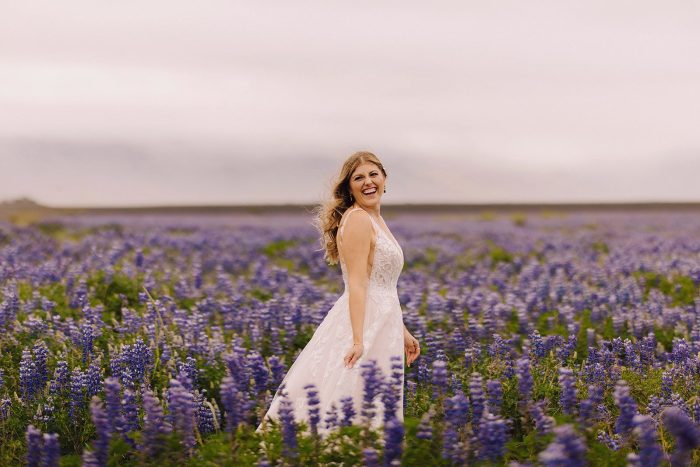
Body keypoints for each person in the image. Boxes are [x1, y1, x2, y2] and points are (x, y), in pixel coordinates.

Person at [256, 151, 420, 437]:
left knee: (372, 401)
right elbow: (357, 284)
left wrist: (402, 330)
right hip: (364, 324)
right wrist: (358, 340)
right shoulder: (358, 219)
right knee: (353, 399)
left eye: (373, 175)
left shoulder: (374, 218)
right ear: (349, 187)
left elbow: (382, 286)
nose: (368, 182)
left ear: (384, 179)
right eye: (359, 178)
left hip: (383, 323)